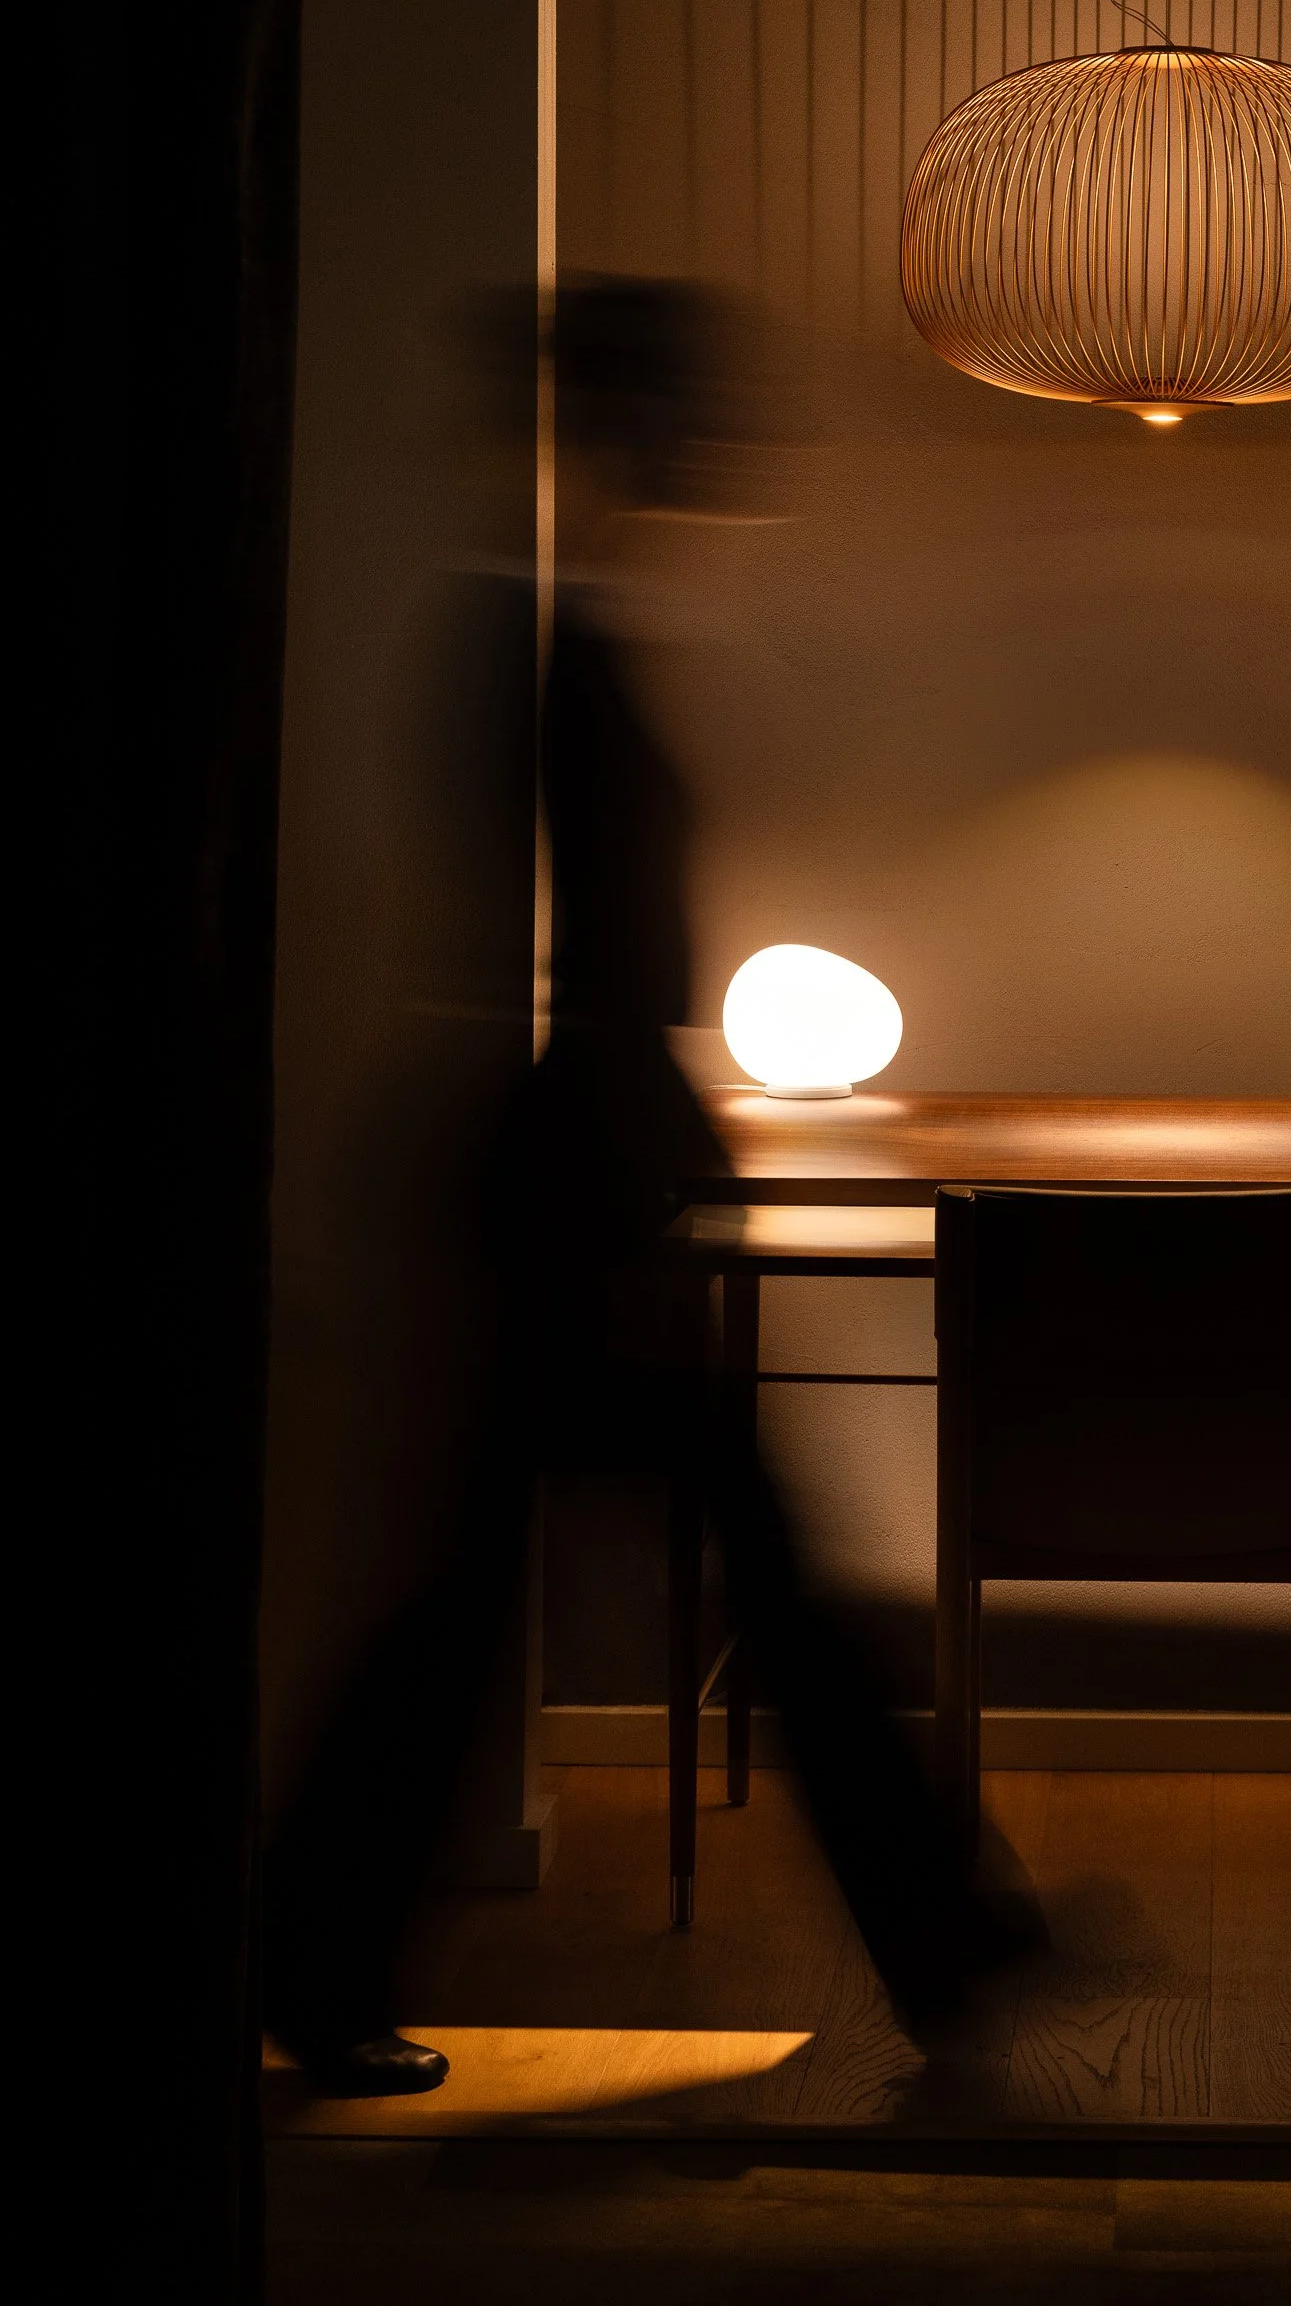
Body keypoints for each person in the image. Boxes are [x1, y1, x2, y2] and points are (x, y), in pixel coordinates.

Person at [265, 278, 1020, 2093]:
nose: (721, 439)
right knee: (665, 1586)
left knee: (496, 1600)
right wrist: (635, 1162)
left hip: (562, 1168)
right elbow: (566, 967)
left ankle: (315, 1958)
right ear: (630, 422)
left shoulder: (556, 626)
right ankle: (947, 1941)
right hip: (564, 1182)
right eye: (690, 405)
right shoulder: (555, 639)